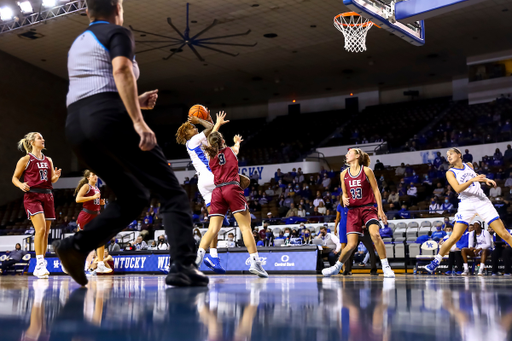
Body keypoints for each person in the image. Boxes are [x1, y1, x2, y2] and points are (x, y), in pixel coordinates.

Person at [55, 0, 207, 288]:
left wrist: (134, 103)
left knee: (134, 196)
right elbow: (121, 70)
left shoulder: (77, 44)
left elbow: (95, 90)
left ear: (88, 11)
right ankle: (182, 266)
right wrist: (139, 122)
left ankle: (76, 246)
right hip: (109, 121)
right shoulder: (117, 32)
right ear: (117, 7)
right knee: (172, 193)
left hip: (76, 127)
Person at [425, 148, 512, 274]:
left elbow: (475, 176)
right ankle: (436, 261)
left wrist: (485, 180)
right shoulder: (450, 172)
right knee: (454, 237)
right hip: (466, 204)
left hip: (482, 201)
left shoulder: (469, 165)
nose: (448, 157)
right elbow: (458, 189)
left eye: (451, 154)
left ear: (459, 155)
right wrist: (472, 180)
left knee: (503, 233)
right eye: (447, 155)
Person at [196, 131, 268, 277]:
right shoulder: (230, 150)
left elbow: (210, 144)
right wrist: (237, 142)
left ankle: (197, 258)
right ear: (223, 141)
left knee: (212, 229)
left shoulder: (210, 156)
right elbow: (235, 148)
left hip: (218, 191)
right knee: (245, 227)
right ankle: (255, 262)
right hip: (232, 188)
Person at [322, 148, 395, 278]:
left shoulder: (367, 171)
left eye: (349, 153)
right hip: (353, 211)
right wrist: (344, 197)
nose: (346, 155)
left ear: (357, 156)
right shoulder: (343, 173)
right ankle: (336, 268)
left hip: (368, 208)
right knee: (351, 244)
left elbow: (376, 190)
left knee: (375, 235)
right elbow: (344, 194)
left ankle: (386, 267)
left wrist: (380, 209)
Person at [176, 111, 229, 274]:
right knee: (233, 188)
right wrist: (199, 119)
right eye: (192, 128)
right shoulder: (193, 139)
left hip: (202, 183)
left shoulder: (193, 143)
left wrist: (217, 124)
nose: (194, 128)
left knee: (214, 226)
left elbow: (212, 132)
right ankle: (226, 214)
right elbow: (209, 127)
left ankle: (214, 256)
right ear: (187, 133)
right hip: (211, 177)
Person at [12, 132, 61, 279]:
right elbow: (14, 178)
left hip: (48, 195)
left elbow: (51, 179)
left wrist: (56, 177)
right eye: (40, 138)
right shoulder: (26, 159)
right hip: (33, 196)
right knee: (40, 229)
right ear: (32, 142)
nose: (43, 140)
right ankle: (39, 263)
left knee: (46, 232)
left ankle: (42, 263)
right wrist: (21, 185)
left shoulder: (48, 160)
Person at [74, 170, 111, 274]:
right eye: (93, 175)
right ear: (88, 178)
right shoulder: (86, 186)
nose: (96, 176)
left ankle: (100, 264)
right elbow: (78, 199)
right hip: (86, 216)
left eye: (96, 174)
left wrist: (99, 202)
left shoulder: (97, 188)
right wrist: (93, 197)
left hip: (95, 215)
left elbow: (93, 202)